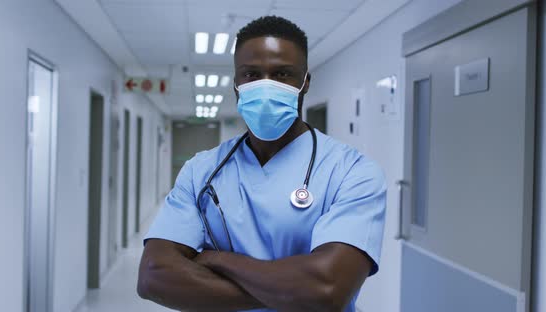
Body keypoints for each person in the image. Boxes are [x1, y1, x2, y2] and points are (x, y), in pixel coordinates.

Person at [137, 16, 387, 312]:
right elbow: (154, 275)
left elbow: (327, 290)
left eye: (282, 74)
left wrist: (218, 260)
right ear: (236, 85)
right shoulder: (200, 171)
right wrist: (293, 292)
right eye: (252, 74)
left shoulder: (353, 172)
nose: (266, 86)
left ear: (305, 82)